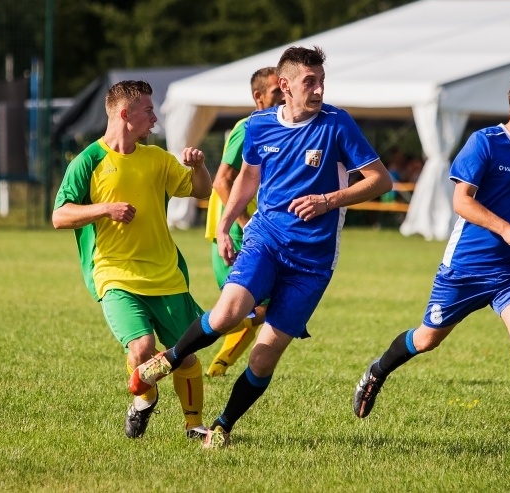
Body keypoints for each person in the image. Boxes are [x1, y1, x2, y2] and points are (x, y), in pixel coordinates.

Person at [129, 46, 393, 447]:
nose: (319, 88)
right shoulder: (259, 125)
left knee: (263, 355)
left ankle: (221, 426)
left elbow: (380, 180)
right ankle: (167, 359)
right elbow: (247, 179)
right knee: (228, 313)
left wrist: (327, 201)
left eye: (322, 80)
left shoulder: (338, 124)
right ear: (284, 86)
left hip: (313, 261)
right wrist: (222, 227)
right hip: (265, 239)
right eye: (310, 82)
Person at [352, 72, 510, 439]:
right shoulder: (484, 143)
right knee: (427, 339)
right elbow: (461, 201)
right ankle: (377, 371)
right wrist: (504, 229)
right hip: (467, 266)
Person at [52, 80, 213, 441]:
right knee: (141, 348)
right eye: (148, 111)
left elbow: (201, 190)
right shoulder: (88, 161)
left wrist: (199, 166)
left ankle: (194, 425)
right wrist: (104, 209)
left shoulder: (156, 158)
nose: (155, 118)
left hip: (165, 276)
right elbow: (59, 216)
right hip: (115, 275)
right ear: (125, 115)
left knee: (186, 356)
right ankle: (145, 398)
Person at [204, 67, 284, 377]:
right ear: (258, 97)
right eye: (277, 92)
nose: (283, 98)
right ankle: (190, 340)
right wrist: (244, 223)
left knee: (260, 308)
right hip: (238, 233)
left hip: (254, 231)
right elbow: (222, 181)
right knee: (253, 308)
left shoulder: (278, 128)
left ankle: (217, 367)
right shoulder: (248, 127)